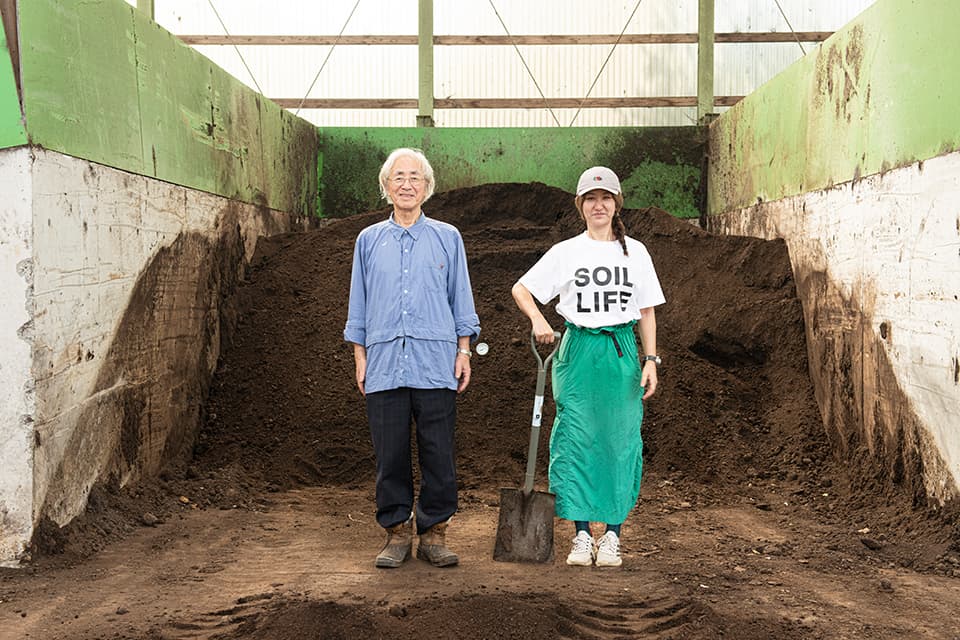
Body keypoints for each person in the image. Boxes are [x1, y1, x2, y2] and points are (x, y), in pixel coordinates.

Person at [511, 166, 665, 568]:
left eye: (606, 198)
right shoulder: (566, 252)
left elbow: (647, 311)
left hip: (620, 351)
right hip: (577, 350)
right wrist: (539, 319)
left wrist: (650, 359)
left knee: (619, 440)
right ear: (580, 206)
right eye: (591, 199)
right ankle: (581, 535)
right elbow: (521, 289)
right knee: (575, 439)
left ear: (616, 204)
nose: (599, 206)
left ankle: (612, 535)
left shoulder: (636, 252)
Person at [344, 148, 480, 569]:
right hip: (384, 363)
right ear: (386, 187)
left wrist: (463, 351)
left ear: (427, 187)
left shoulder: (447, 237)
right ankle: (397, 533)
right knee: (390, 455)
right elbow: (358, 303)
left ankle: (435, 533)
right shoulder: (368, 241)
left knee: (438, 453)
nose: (406, 184)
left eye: (415, 177)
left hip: (436, 362)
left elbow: (461, 297)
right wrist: (360, 356)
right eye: (398, 177)